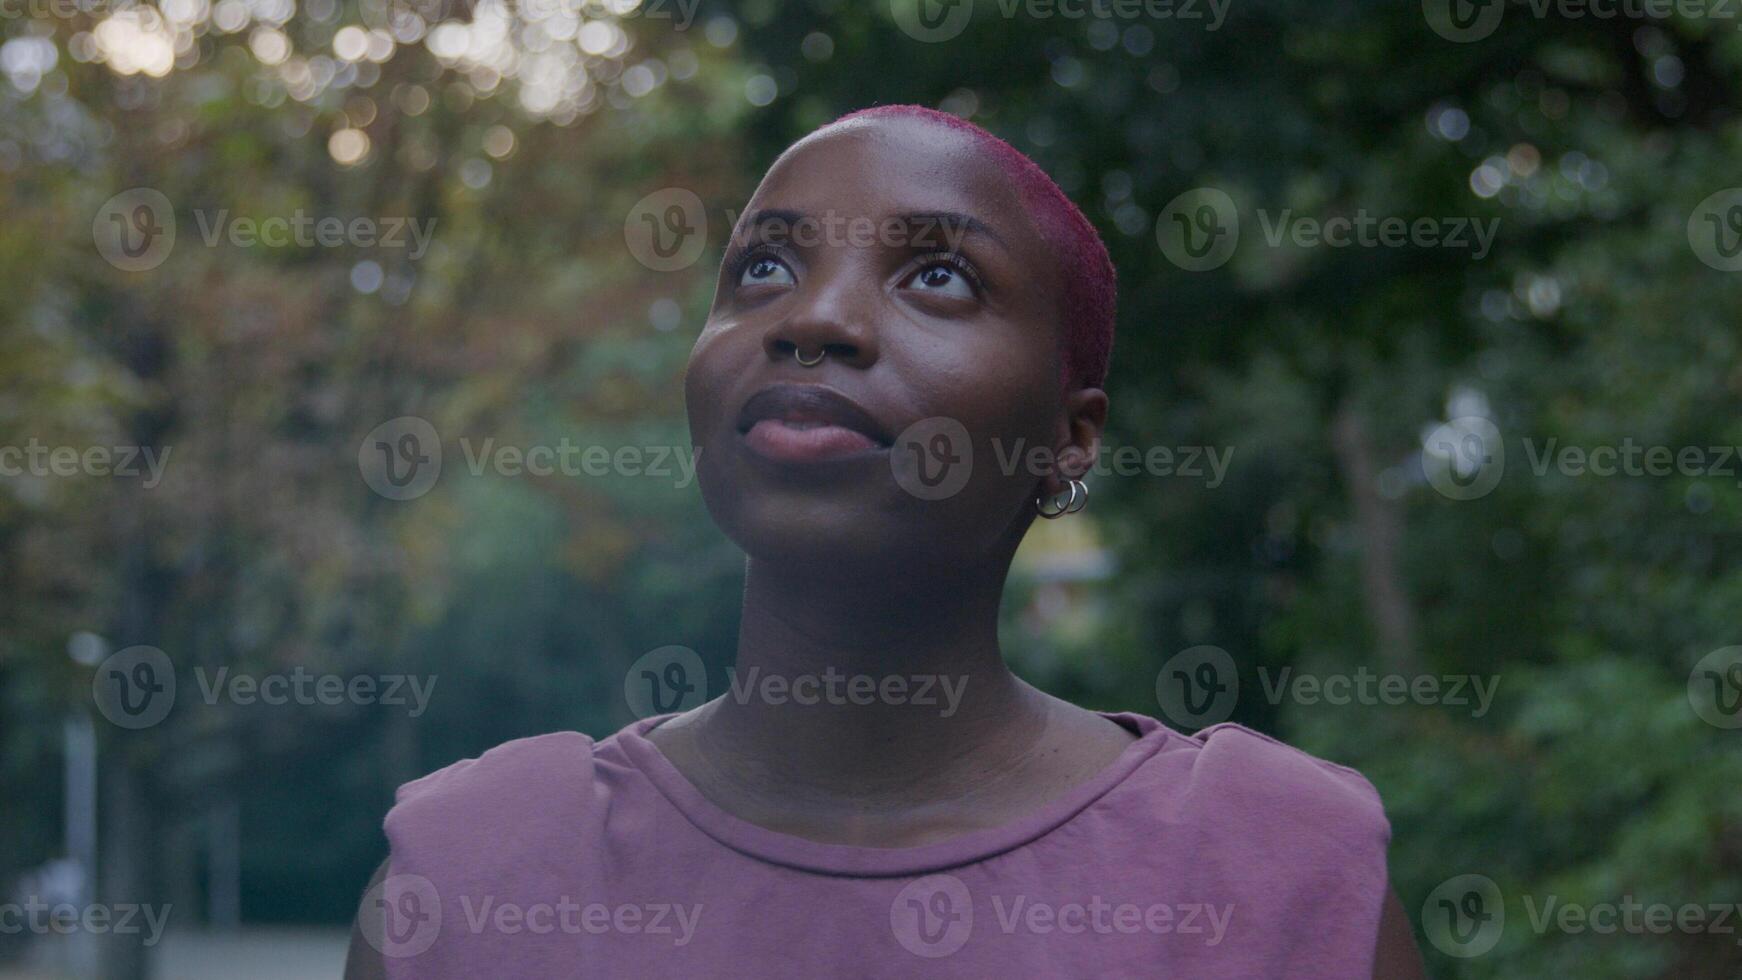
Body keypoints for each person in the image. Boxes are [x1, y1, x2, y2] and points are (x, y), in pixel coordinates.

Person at [345, 104, 1425, 978]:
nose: (812, 319)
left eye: (937, 276)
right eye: (763, 268)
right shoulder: (466, 879)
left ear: (1067, 436)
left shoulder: (1281, 868)